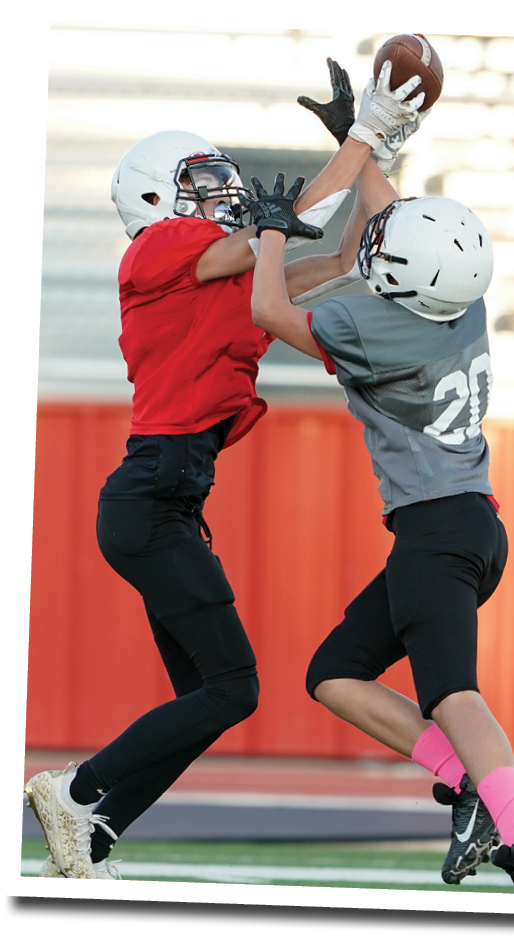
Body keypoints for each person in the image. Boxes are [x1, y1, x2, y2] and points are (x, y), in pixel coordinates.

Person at [23, 61, 426, 880]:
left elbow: (347, 251)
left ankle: (91, 837)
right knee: (233, 688)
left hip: (167, 500)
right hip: (153, 494)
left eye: (217, 182)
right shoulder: (160, 251)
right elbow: (288, 225)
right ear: (155, 200)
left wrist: (378, 155)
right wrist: (359, 136)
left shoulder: (227, 274)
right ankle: (77, 790)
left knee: (207, 697)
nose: (220, 194)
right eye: (199, 183)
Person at [246, 118, 514, 892]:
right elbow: (402, 234)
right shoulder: (460, 303)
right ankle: (472, 787)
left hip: (436, 530)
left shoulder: (370, 328)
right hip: (467, 523)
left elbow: (267, 310)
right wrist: (364, 145)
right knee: (335, 673)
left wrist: (271, 234)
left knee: (451, 691)